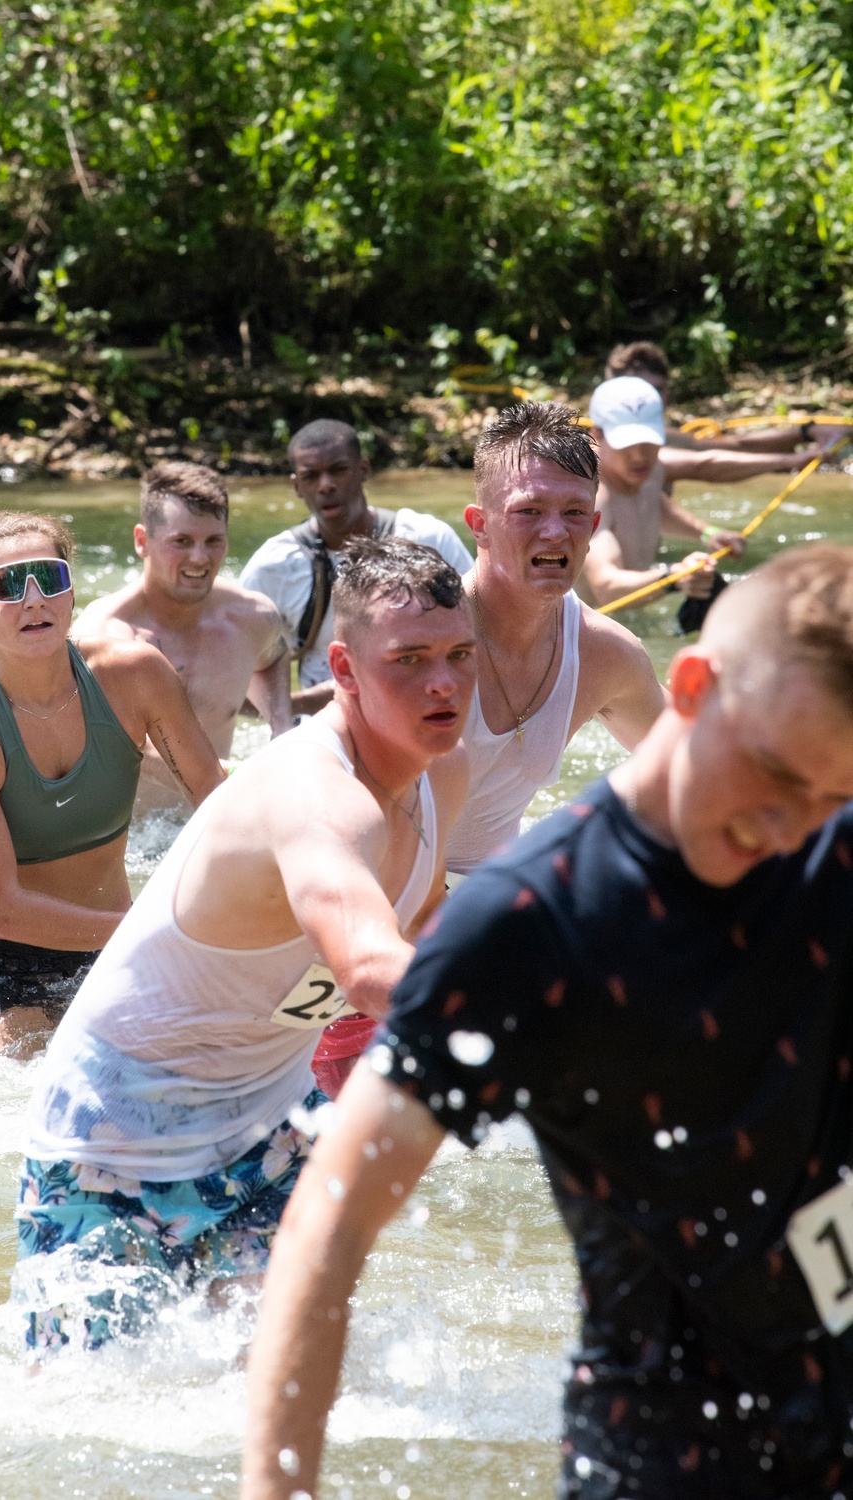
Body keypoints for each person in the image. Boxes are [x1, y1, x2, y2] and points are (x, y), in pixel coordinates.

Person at [242, 542, 853, 1500]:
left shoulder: (832, 843)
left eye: (831, 797)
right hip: (671, 1456)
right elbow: (331, 1220)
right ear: (690, 687)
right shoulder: (534, 927)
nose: (791, 830)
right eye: (775, 776)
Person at [13, 537, 475, 1355]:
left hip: (267, 1126)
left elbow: (426, 924)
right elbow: (370, 967)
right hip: (114, 1133)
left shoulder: (442, 772)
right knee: (83, 1418)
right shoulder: (314, 794)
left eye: (460, 654)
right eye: (410, 659)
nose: (443, 684)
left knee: (288, 1373)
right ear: (344, 667)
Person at [311, 402, 666, 1098]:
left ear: (596, 525)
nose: (554, 532)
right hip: (368, 925)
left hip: (481, 915)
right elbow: (326, 799)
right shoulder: (418, 642)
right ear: (479, 525)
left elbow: (698, 777)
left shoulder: (606, 658)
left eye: (573, 512)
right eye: (529, 511)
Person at [0, 510, 224, 1057]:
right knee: (8, 1093)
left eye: (49, 578)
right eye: (8, 586)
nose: (33, 599)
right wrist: (158, 932)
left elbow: (216, 799)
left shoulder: (136, 674)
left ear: (71, 593)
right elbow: (3, 911)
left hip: (111, 941)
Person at [75, 462, 293, 811]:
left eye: (213, 541)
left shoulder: (253, 619)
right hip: (132, 839)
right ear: (142, 541)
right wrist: (228, 777)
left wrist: (281, 727)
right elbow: (105, 742)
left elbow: (275, 654)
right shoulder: (102, 637)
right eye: (182, 541)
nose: (200, 558)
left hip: (211, 821)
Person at [239, 419, 473, 716]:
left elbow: (481, 633)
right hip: (320, 725)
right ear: (296, 486)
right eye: (311, 476)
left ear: (363, 469)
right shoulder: (274, 567)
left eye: (338, 470)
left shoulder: (428, 540)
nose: (326, 485)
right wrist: (283, 715)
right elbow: (229, 677)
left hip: (424, 712)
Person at [581, 375, 831, 613]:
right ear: (597, 434)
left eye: (648, 442)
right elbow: (606, 587)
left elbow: (653, 503)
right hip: (586, 628)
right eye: (626, 444)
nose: (639, 456)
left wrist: (707, 533)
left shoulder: (650, 472)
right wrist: (675, 577)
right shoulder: (594, 497)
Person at [605, 341, 850, 454]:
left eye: (658, 390)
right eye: (639, 391)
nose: (651, 400)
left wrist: (806, 432)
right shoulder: (596, 448)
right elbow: (706, 466)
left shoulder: (666, 440)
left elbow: (739, 445)